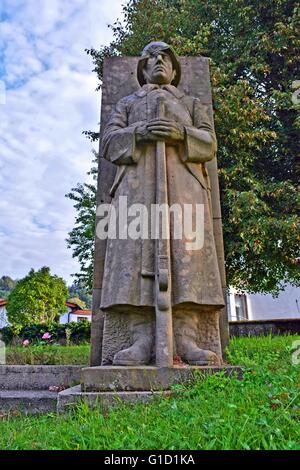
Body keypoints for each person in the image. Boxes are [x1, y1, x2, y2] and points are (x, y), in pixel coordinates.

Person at [100, 42, 224, 366]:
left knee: (187, 257)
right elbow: (109, 142)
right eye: (151, 58)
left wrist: (182, 133)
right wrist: (139, 132)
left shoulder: (191, 103)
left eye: (164, 58)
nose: (158, 62)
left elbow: (209, 143)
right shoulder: (127, 103)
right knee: (133, 256)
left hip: (184, 190)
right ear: (142, 69)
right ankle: (142, 338)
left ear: (174, 68)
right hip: (136, 190)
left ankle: (185, 337)